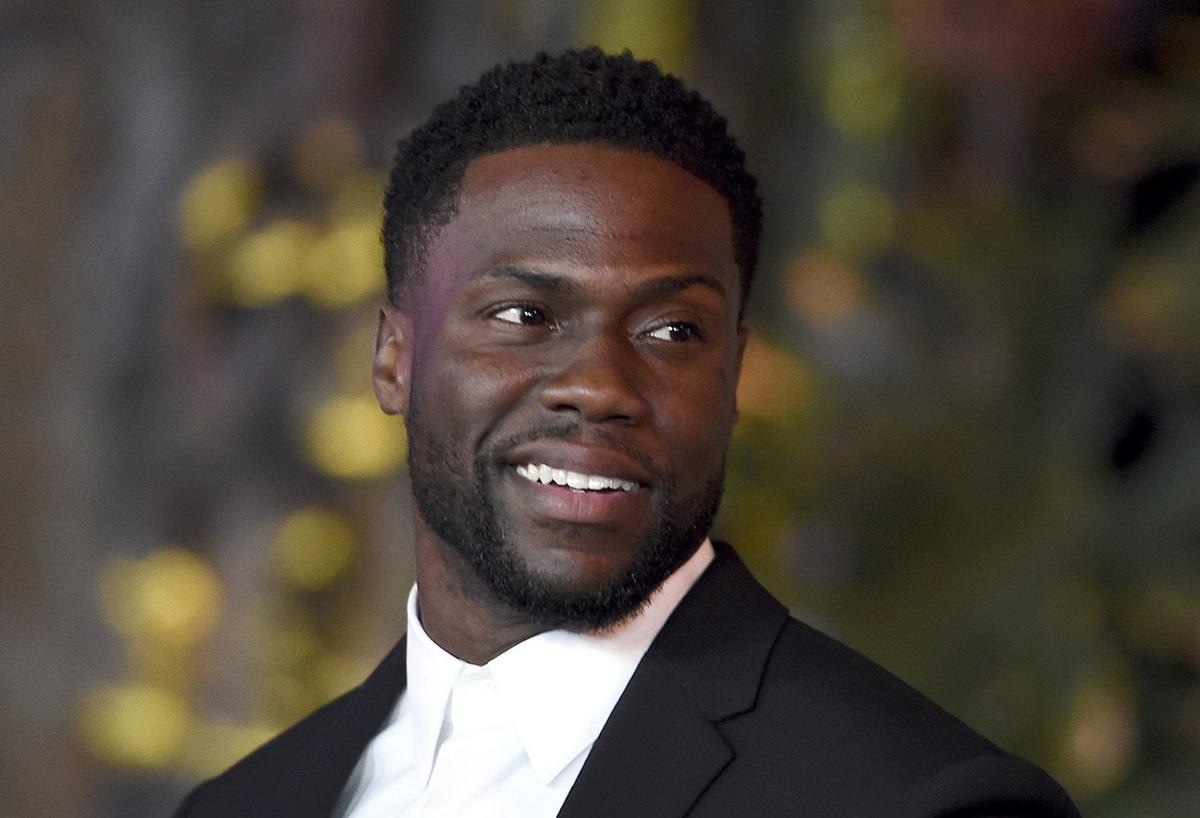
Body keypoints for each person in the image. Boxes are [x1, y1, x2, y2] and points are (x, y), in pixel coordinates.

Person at [174, 49, 1080, 817]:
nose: (600, 388)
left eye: (673, 331)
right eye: (525, 315)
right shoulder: (241, 805)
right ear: (393, 359)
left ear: (732, 377)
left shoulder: (923, 803)